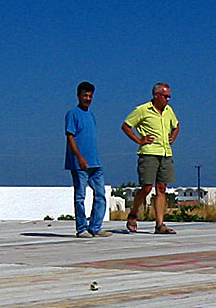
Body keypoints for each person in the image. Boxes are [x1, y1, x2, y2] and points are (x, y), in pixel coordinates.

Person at [121, 82, 180, 234]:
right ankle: (133, 213)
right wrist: (139, 140)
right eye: (165, 96)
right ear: (156, 95)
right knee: (147, 187)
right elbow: (126, 126)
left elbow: (176, 125)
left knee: (162, 188)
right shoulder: (142, 110)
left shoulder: (169, 110)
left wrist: (173, 137)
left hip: (166, 153)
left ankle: (160, 224)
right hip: (149, 153)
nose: (168, 99)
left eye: (169, 97)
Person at [66, 81, 111, 238]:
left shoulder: (91, 115)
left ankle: (95, 227)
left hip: (95, 163)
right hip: (79, 164)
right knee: (80, 197)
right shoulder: (72, 114)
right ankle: (81, 228)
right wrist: (79, 157)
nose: (88, 99)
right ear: (78, 96)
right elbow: (70, 136)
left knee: (101, 194)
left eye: (90, 96)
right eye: (85, 95)